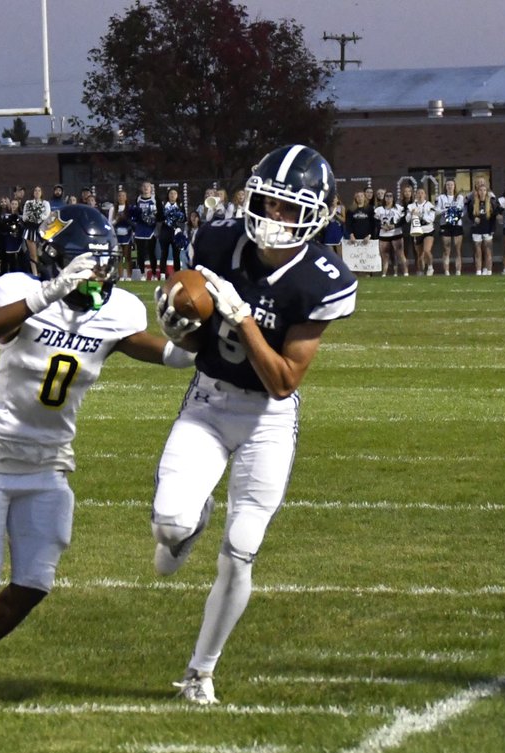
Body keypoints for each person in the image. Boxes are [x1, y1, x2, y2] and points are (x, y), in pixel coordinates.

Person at [0, 204, 197, 690]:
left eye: (105, 265)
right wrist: (48, 295)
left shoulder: (117, 313)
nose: (99, 276)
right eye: (87, 265)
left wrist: (199, 332)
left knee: (35, 581)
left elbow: (172, 358)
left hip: (49, 463)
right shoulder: (21, 291)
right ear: (57, 261)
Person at [150, 145, 356, 705]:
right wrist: (178, 323)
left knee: (240, 548)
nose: (275, 216)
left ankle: (200, 672)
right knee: (169, 528)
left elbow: (284, 380)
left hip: (267, 417)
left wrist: (242, 316)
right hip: (209, 403)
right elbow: (194, 343)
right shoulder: (217, 242)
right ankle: (191, 522)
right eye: (269, 202)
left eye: (291, 209)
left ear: (317, 214)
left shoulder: (321, 276)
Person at [434, 180, 466, 276]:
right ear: (445, 186)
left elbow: (463, 211)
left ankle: (458, 271)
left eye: (451, 184)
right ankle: (446, 271)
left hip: (457, 224)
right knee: (446, 249)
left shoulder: (460, 197)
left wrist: (455, 215)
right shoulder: (441, 198)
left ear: (455, 186)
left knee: (457, 249)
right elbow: (437, 211)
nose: (450, 186)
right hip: (445, 224)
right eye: (448, 185)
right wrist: (447, 210)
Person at [129, 181, 159, 280]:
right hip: (140, 229)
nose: (146, 188)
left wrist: (151, 220)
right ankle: (142, 273)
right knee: (140, 253)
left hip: (151, 229)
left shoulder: (155, 199)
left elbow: (158, 214)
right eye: (144, 186)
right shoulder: (138, 199)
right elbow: (134, 214)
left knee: (151, 252)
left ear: (151, 189)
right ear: (141, 188)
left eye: (148, 187)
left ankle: (154, 273)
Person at [468, 182, 497, 275]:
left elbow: (493, 218)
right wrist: (474, 218)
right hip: (477, 230)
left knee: (488, 251)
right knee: (477, 251)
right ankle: (478, 271)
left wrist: (492, 229)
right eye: (480, 190)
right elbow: (469, 215)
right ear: (477, 192)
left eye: (484, 190)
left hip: (487, 229)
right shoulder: (473, 202)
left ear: (487, 192)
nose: (482, 192)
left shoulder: (491, 202)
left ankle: (489, 270)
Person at [374, 191, 405, 277]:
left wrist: (394, 226)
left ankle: (405, 272)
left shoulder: (399, 208)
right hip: (384, 234)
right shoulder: (379, 209)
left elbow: (403, 221)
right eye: (386, 196)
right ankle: (384, 273)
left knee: (400, 254)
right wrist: (381, 226)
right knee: (385, 255)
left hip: (396, 233)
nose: (388, 198)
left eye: (390, 196)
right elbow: (375, 221)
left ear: (393, 198)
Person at [406, 186, 436, 275]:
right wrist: (411, 214)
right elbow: (407, 219)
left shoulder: (429, 205)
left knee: (427, 250)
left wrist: (420, 215)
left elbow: (431, 219)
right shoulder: (411, 206)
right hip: (417, 230)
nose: (420, 195)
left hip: (428, 230)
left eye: (422, 193)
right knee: (420, 255)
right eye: (418, 193)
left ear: (425, 195)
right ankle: (421, 271)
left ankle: (430, 267)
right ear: (415, 195)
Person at [22, 185, 50, 277]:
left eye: (39, 190)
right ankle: (35, 274)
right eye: (35, 190)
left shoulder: (45, 203)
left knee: (42, 253)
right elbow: (24, 217)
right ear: (33, 193)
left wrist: (38, 216)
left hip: (42, 229)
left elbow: (47, 215)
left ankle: (45, 272)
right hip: (30, 229)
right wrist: (31, 217)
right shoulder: (28, 203)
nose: (37, 192)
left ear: (42, 193)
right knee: (33, 254)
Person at [158, 187, 186, 276]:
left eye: (174, 193)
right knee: (164, 253)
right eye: (171, 193)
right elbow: (158, 218)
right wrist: (165, 217)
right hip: (165, 231)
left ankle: (177, 273)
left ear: (177, 195)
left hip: (176, 232)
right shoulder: (163, 205)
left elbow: (184, 219)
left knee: (176, 254)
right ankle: (162, 274)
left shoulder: (180, 206)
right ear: (168, 195)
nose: (172, 195)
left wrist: (177, 217)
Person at [108, 187, 133, 280]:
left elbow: (132, 222)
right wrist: (117, 219)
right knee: (119, 256)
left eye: (123, 196)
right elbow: (110, 223)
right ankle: (121, 275)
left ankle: (129, 276)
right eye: (119, 196)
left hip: (127, 234)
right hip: (117, 235)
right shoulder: (113, 209)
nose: (121, 197)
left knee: (127, 256)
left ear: (126, 198)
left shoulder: (130, 208)